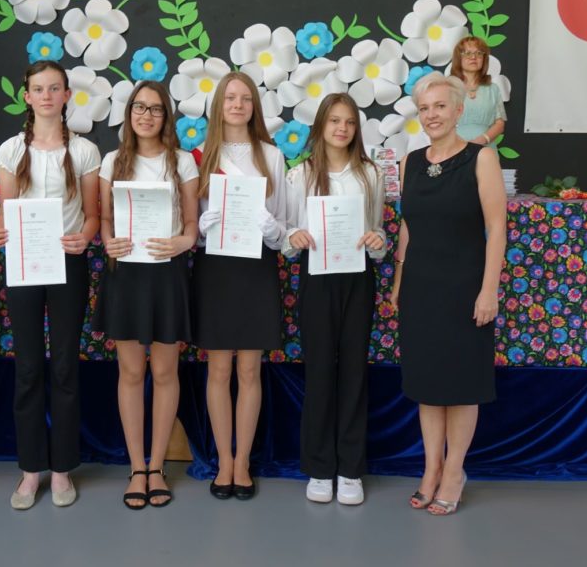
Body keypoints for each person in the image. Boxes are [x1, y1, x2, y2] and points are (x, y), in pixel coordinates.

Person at [0, 61, 101, 510]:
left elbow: (92, 214)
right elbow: (6, 213)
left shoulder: (85, 150)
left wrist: (85, 237)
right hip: (25, 264)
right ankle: (31, 469)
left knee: (65, 366)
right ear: (27, 97)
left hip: (69, 263)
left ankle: (63, 468)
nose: (47, 96)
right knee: (29, 367)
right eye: (39, 89)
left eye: (55, 88)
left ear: (67, 95)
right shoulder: (11, 149)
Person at [390, 72, 505, 515]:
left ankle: (454, 471)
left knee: (460, 386)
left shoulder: (481, 158)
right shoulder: (410, 162)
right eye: (424, 108)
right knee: (428, 385)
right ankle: (431, 469)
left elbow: (496, 227)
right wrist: (399, 281)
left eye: (440, 106)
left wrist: (489, 290)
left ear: (458, 110)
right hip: (421, 288)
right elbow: (408, 226)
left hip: (464, 289)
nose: (432, 115)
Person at [95, 81, 199, 509]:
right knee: (132, 373)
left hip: (166, 274)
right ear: (129, 113)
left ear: (166, 117)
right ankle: (136, 468)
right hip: (126, 274)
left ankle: (158, 467)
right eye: (139, 107)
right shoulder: (112, 161)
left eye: (155, 109)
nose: (146, 115)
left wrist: (181, 242)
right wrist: (108, 242)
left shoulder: (182, 162)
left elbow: (192, 226)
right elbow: (104, 220)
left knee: (165, 373)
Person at [283, 93, 387, 505]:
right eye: (334, 121)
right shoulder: (301, 175)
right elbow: (289, 235)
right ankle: (320, 467)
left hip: (357, 278)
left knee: (354, 373)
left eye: (349, 122)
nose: (342, 128)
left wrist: (378, 241)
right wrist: (294, 237)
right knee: (321, 371)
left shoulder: (370, 174)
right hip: (317, 278)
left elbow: (377, 232)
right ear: (321, 126)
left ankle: (350, 470)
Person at [193, 72, 287, 501]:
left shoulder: (272, 156)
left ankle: (243, 461)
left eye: (245, 98)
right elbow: (187, 225)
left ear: (254, 107)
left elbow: (283, 226)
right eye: (230, 97)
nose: (237, 105)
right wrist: (201, 225)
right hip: (215, 267)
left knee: (249, 370)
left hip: (256, 266)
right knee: (218, 369)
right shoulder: (200, 156)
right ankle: (223, 462)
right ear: (218, 104)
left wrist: (272, 228)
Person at [450, 36, 506, 146]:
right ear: (458, 58)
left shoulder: (493, 89)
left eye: (479, 53)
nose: (473, 57)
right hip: (454, 147)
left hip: (486, 148)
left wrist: (483, 139)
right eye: (467, 53)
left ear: (484, 59)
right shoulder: (447, 87)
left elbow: (500, 124)